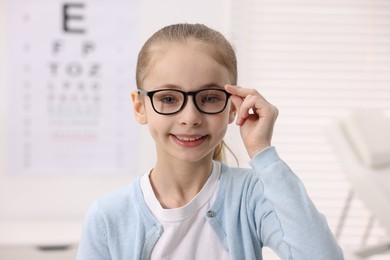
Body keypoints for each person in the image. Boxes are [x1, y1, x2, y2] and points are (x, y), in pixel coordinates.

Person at [76, 23, 344, 260]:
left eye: (210, 97)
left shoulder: (251, 196)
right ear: (140, 107)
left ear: (232, 107)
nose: (190, 117)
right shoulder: (108, 217)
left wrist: (262, 152)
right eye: (169, 98)